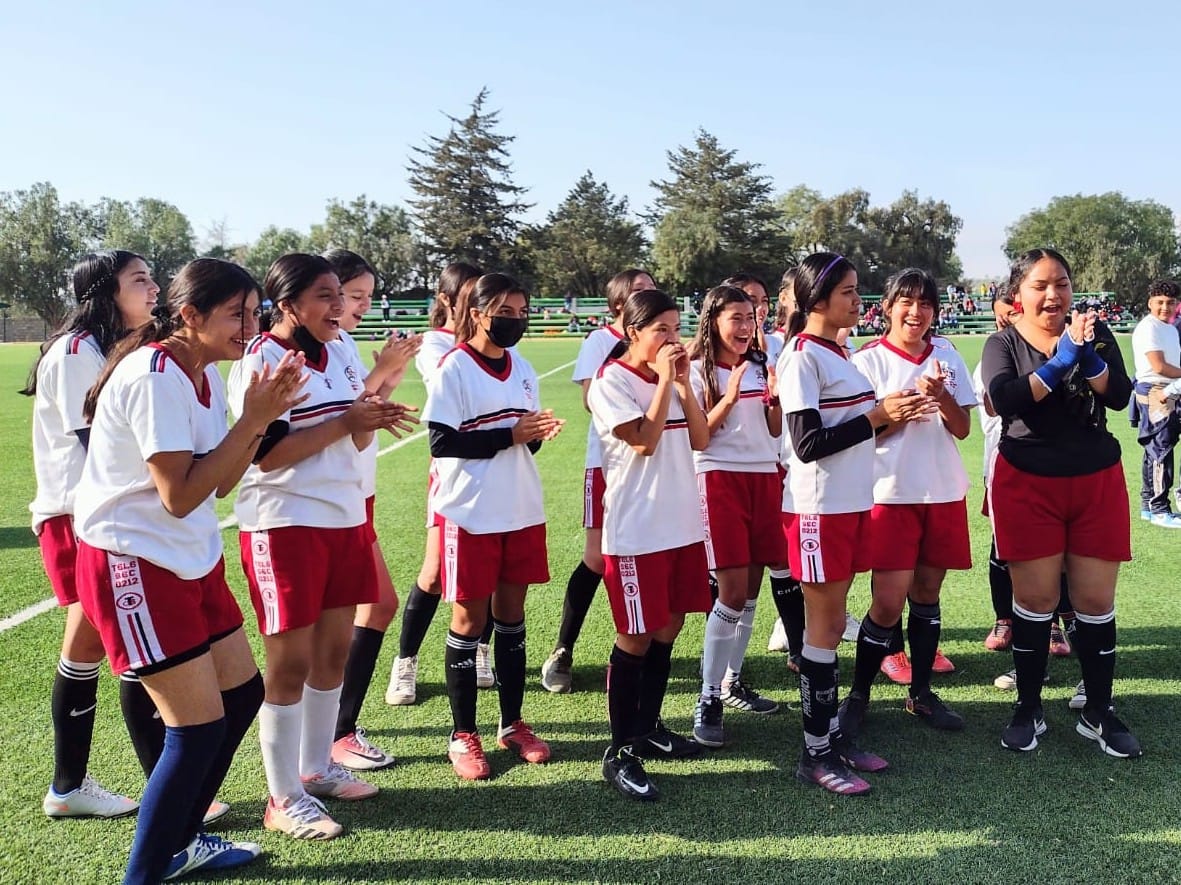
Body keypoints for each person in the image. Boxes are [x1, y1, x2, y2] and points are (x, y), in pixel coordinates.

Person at [74, 257, 307, 882]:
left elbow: (221, 485)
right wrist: (257, 419)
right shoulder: (155, 376)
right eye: (238, 314)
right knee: (196, 729)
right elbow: (179, 494)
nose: (250, 327)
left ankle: (181, 836)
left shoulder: (200, 373)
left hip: (187, 555)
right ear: (189, 315)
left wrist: (259, 419)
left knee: (242, 694)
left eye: (255, 313)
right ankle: (150, 868)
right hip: (136, 563)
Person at [230, 253, 415, 840]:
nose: (339, 307)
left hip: (342, 516)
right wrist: (347, 421)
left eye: (342, 294)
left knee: (332, 653)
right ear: (287, 305)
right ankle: (282, 797)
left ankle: (317, 768)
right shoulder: (261, 359)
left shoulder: (340, 351)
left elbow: (353, 429)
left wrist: (372, 415)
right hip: (284, 522)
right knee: (290, 662)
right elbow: (267, 453)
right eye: (325, 296)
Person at [777, 252, 935, 795]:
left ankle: (830, 741)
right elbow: (807, 444)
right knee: (821, 634)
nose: (857, 299)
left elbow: (855, 432)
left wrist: (892, 416)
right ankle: (814, 754)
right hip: (818, 512)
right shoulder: (802, 356)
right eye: (847, 291)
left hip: (848, 506)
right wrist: (876, 416)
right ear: (816, 300)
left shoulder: (836, 353)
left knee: (829, 630)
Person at [981, 248, 1140, 757]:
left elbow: (1118, 395)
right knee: (1035, 602)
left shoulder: (1096, 334)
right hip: (1027, 480)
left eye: (1063, 284)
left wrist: (1086, 354)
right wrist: (1061, 361)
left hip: (1095, 479)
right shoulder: (1001, 341)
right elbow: (1006, 400)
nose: (1053, 295)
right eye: (1041, 285)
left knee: (1095, 603)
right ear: (1019, 294)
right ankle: (1029, 709)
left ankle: (1098, 711)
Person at [24, 250, 160, 820]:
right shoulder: (78, 351)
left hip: (93, 516)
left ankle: (70, 786)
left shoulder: (105, 347)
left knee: (94, 649)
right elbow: (97, 446)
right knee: (129, 646)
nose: (155, 288)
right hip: (79, 517)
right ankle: (165, 791)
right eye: (140, 279)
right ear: (105, 292)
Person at [422, 272, 563, 780]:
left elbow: (524, 439)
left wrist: (535, 433)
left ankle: (512, 724)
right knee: (468, 622)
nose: (516, 321)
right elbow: (441, 441)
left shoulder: (522, 366)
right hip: (471, 513)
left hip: (520, 508)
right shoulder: (454, 367)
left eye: (523, 313)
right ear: (478, 313)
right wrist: (510, 434)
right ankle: (463, 735)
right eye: (506, 312)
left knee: (512, 617)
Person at [837, 269, 975, 741]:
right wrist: (894, 416)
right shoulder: (867, 361)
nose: (916, 312)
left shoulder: (948, 355)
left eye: (925, 304)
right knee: (887, 601)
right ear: (889, 306)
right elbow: (860, 433)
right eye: (906, 302)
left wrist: (941, 399)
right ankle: (857, 696)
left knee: (928, 595)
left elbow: (961, 429)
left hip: (941, 490)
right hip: (890, 494)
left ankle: (920, 693)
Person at [589, 288, 711, 801]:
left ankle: (649, 726)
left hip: (681, 524)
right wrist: (665, 380)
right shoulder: (611, 380)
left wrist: (683, 385)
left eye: (675, 328)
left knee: (669, 626)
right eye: (660, 329)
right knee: (635, 635)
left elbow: (702, 438)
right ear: (633, 331)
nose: (671, 339)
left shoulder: (675, 378)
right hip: (637, 530)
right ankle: (620, 750)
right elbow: (643, 440)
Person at [322, 249, 421, 771]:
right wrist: (382, 370)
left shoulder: (340, 344)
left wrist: (391, 372)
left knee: (373, 607)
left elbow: (363, 406)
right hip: (325, 503)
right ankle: (333, 734)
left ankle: (336, 731)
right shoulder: (310, 349)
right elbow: (338, 416)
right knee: (366, 609)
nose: (361, 305)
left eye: (364, 296)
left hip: (357, 495)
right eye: (353, 295)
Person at [541, 268, 655, 694]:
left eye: (652, 289)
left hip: (655, 466)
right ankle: (563, 649)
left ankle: (631, 649)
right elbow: (594, 399)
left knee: (647, 554)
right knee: (596, 558)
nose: (649, 295)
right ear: (619, 302)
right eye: (640, 291)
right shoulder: (601, 341)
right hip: (609, 462)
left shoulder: (661, 340)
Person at [687, 284, 786, 748]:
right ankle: (706, 695)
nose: (747, 327)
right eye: (737, 318)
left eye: (752, 318)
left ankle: (732, 682)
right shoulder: (696, 370)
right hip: (719, 478)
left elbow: (772, 429)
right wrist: (728, 394)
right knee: (728, 592)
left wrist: (776, 400)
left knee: (749, 592)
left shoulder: (764, 364)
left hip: (764, 478)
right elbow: (701, 435)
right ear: (714, 321)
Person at [387, 262, 484, 706]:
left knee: (493, 574)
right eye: (469, 295)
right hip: (451, 473)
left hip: (496, 470)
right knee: (433, 573)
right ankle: (405, 661)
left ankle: (481, 651)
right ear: (445, 300)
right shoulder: (436, 345)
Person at [1131, 280, 1181, 526]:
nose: (1165, 307)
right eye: (1160, 302)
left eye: (1170, 303)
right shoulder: (1148, 327)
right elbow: (1159, 366)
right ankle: (1160, 509)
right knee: (1161, 449)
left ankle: (1147, 504)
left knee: (1156, 448)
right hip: (1155, 391)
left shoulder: (1169, 328)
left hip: (1168, 389)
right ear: (1150, 302)